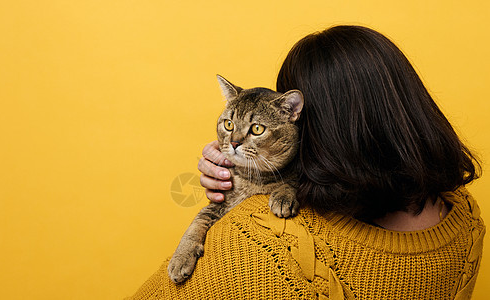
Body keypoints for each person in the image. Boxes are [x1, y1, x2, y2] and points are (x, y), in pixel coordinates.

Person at [127, 25, 485, 299]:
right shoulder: (466, 220)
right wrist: (252, 168)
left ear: (312, 123)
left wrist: (241, 206)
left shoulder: (266, 239)